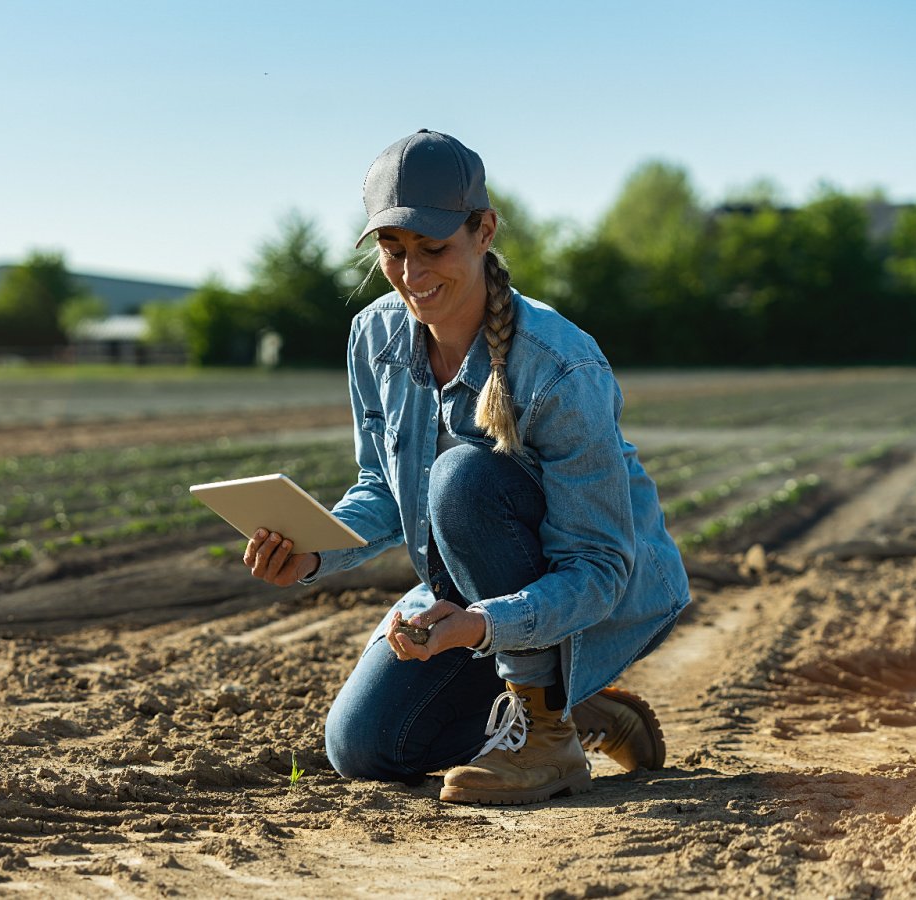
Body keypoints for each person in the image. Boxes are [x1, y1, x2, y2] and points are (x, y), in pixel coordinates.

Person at [242, 130, 689, 805]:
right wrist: (312, 552)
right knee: (363, 747)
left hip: (600, 597)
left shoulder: (559, 367)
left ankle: (546, 731)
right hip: (472, 591)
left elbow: (599, 567)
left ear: (484, 230)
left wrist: (479, 623)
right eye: (393, 253)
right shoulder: (374, 336)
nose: (412, 276)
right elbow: (384, 490)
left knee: (461, 480)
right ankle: (580, 710)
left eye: (433, 249)